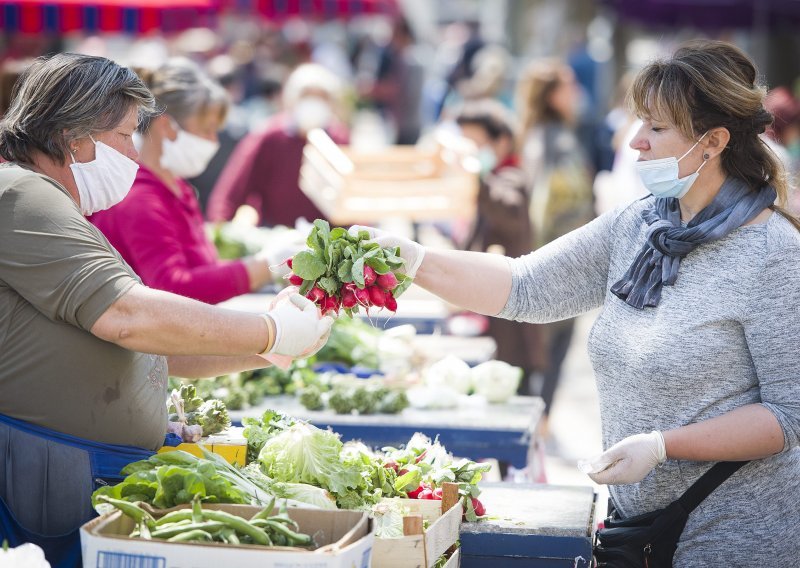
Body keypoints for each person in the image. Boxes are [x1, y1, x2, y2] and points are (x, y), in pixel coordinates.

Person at [354, 40, 800, 564]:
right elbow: (525, 286)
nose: (635, 142)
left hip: (734, 539)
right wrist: (415, 262)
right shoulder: (640, 224)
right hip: (637, 531)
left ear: (713, 142)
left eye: (656, 128)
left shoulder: (776, 255)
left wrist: (663, 445)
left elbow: (787, 417)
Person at [0, 53, 333, 567]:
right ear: (73, 136)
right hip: (49, 469)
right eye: (126, 135)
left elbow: (156, 346)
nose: (134, 154)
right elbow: (128, 317)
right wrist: (267, 330)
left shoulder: (55, 203)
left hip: (80, 465)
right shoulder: (23, 194)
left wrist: (272, 349)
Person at [90, 58, 294, 305]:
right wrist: (264, 267)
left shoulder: (177, 188)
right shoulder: (139, 199)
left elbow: (201, 268)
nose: (214, 141)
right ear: (167, 126)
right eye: (207, 129)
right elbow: (172, 288)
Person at [516, 58, 595, 423]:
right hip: (561, 254)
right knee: (551, 350)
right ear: (551, 96)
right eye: (568, 86)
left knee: (536, 350)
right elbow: (558, 204)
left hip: (540, 253)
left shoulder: (535, 134)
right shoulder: (559, 141)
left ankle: (534, 421)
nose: (576, 93)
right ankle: (538, 423)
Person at [455, 100, 545, 393]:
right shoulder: (492, 178)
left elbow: (509, 210)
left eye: (475, 145)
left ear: (502, 142)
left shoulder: (511, 177)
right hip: (492, 314)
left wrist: (476, 177)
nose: (469, 153)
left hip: (512, 323)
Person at [206, 63, 348, 227]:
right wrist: (219, 228)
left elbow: (353, 194)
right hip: (276, 236)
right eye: (307, 96)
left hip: (328, 243)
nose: (313, 103)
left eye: (321, 97)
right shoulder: (269, 136)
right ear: (292, 99)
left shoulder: (339, 139)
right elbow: (233, 189)